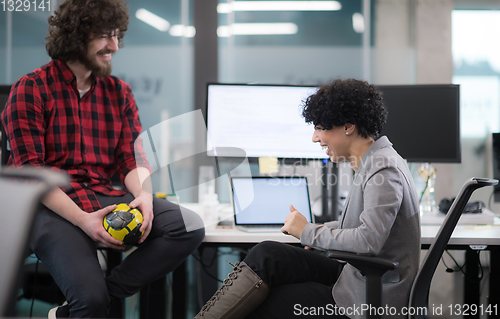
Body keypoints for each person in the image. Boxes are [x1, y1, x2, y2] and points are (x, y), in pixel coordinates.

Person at [1, 0, 205, 318]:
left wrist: (145, 196)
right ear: (75, 36)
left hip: (103, 194)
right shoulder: (31, 89)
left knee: (188, 226)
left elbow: (130, 158)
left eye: (116, 35)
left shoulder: (118, 92)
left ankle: (87, 302)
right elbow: (31, 173)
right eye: (104, 36)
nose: (114, 46)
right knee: (91, 303)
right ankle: (91, 302)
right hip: (52, 205)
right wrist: (83, 220)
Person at [194, 79, 420, 319]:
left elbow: (369, 240)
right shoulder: (374, 161)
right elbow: (363, 228)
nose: (315, 137)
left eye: (321, 128)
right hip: (356, 279)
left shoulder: (383, 168)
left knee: (264, 301)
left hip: (369, 297)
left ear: (348, 126)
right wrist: (316, 228)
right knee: (268, 254)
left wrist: (307, 232)